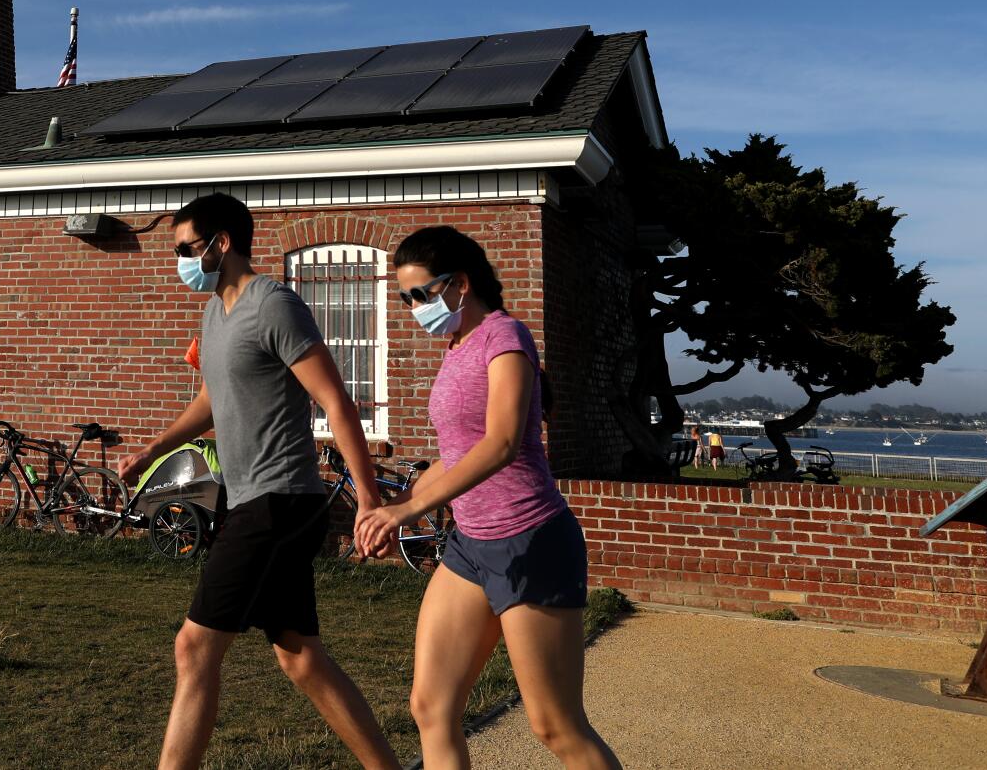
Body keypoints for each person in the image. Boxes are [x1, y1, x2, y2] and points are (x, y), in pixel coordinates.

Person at [117, 193, 400, 770]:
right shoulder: (215, 313)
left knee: (193, 647)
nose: (182, 262)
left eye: (186, 249)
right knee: (301, 658)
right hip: (254, 500)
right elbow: (210, 399)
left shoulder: (274, 305)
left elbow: (335, 402)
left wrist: (370, 501)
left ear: (221, 243)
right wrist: (154, 447)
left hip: (279, 501)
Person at [355, 226, 620, 770]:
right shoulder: (456, 348)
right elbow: (456, 457)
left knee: (556, 727)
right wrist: (392, 511)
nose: (413, 308)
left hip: (531, 541)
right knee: (431, 706)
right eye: (405, 298)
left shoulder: (506, 337)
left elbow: (499, 444)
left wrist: (410, 510)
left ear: (460, 285)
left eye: (421, 295)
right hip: (471, 547)